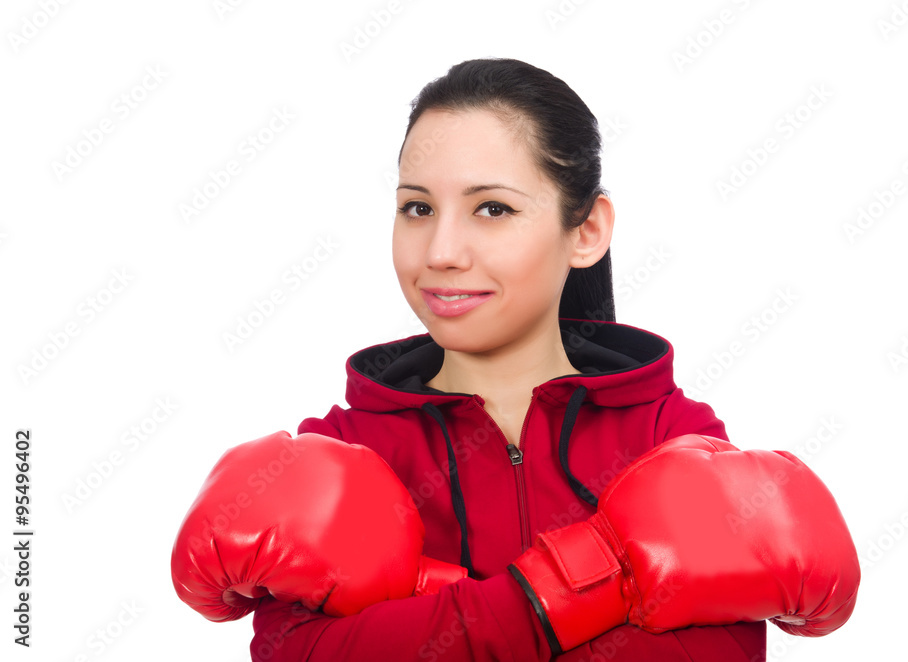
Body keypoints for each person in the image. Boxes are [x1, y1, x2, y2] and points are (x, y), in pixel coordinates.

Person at [171, 57, 861, 660]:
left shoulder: (670, 435)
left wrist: (433, 607)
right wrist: (592, 582)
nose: (439, 251)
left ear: (586, 230)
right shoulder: (341, 450)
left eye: (492, 209)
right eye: (417, 208)